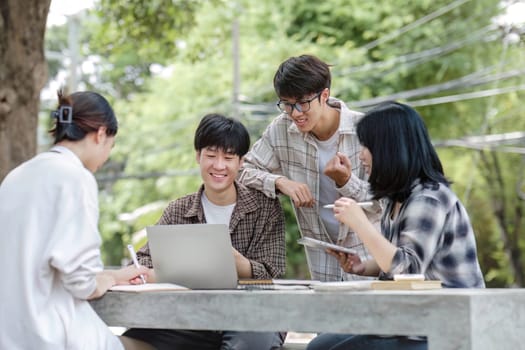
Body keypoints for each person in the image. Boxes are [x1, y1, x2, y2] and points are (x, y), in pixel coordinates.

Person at [306, 101, 485, 350]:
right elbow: (396, 260)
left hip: (446, 327)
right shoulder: (397, 198)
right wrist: (363, 265)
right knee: (320, 344)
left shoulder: (429, 199)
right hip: (411, 320)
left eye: (367, 146)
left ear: (389, 149)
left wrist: (360, 223)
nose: (360, 155)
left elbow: (408, 270)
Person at [0, 91, 153, 350]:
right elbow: (82, 283)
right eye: (110, 147)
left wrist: (113, 275)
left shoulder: (15, 177)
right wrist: (111, 280)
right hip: (54, 335)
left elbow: (41, 264)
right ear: (101, 133)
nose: (106, 158)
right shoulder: (75, 177)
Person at [123, 113, 287, 350]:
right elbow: (143, 260)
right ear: (198, 156)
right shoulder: (179, 210)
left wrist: (238, 264)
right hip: (190, 317)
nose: (219, 166)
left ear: (241, 162)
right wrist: (143, 271)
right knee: (124, 342)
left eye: (228, 157)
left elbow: (274, 275)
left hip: (252, 315)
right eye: (211, 155)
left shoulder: (265, 208)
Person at [239, 54, 382, 282]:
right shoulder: (281, 130)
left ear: (324, 95)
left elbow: (384, 204)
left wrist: (346, 182)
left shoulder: (366, 130)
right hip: (321, 265)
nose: (295, 113)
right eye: (287, 104)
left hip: (371, 262)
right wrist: (280, 182)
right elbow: (241, 171)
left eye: (303, 103)